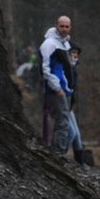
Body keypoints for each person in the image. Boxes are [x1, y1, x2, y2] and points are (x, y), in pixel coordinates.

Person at [39, 15, 75, 157]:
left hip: (64, 89)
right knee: (62, 122)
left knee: (65, 123)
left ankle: (58, 153)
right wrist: (56, 87)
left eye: (67, 26)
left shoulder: (65, 44)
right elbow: (45, 69)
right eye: (62, 26)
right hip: (54, 90)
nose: (64, 29)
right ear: (56, 26)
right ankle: (58, 154)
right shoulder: (49, 44)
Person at [67, 44, 89, 168]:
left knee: (77, 135)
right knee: (72, 133)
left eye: (76, 53)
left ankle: (79, 162)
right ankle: (60, 155)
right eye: (73, 52)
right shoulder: (66, 68)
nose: (75, 55)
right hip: (63, 104)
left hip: (69, 105)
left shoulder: (73, 69)